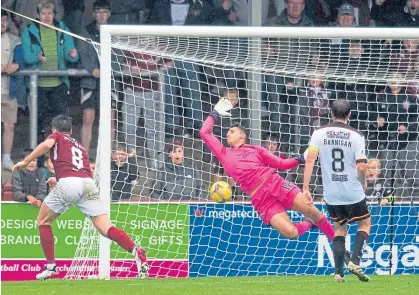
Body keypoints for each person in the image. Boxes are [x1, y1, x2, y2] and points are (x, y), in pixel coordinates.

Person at [12, 115, 148, 281]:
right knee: (105, 227)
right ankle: (135, 249)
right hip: (88, 183)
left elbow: (46, 145)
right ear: (70, 131)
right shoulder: (80, 147)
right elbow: (78, 171)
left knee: (43, 221)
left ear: (54, 130)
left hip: (69, 183)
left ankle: (51, 267)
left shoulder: (56, 137)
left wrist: (26, 161)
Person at [200, 98, 336, 243]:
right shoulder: (224, 153)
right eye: (228, 132)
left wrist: (301, 158)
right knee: (291, 233)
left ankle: (340, 247)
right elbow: (204, 132)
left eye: (232, 131)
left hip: (275, 183)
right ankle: (309, 223)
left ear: (242, 135)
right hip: (260, 198)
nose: (228, 134)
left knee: (315, 212)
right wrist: (214, 113)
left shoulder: (256, 149)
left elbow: (282, 164)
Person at [303, 99, 371, 283]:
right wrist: (363, 182)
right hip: (352, 190)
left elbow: (310, 161)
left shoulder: (318, 133)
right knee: (364, 225)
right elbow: (362, 167)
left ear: (331, 114)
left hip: (331, 193)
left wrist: (306, 188)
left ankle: (338, 273)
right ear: (349, 114)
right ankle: (355, 261)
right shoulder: (356, 136)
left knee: (339, 229)